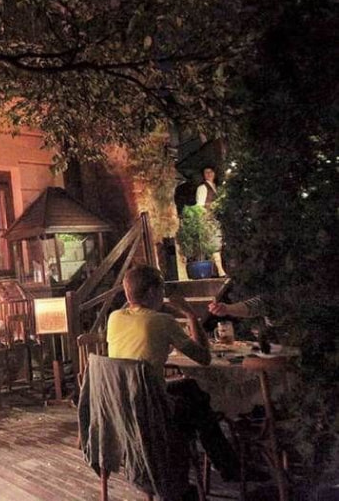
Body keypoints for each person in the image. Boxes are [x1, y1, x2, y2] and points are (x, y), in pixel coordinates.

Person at [107, 265, 253, 482]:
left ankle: (223, 463)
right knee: (200, 408)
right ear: (152, 292)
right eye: (162, 289)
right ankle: (225, 465)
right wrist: (190, 314)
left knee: (190, 387)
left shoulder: (114, 318)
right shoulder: (161, 321)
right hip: (152, 409)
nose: (164, 294)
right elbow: (204, 357)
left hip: (123, 403)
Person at [195, 166, 226, 277]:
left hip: (217, 219)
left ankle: (217, 270)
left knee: (218, 245)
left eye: (211, 172)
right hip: (209, 220)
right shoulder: (203, 188)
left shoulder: (216, 188)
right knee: (214, 245)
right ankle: (220, 271)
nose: (209, 174)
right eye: (206, 172)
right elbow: (200, 206)